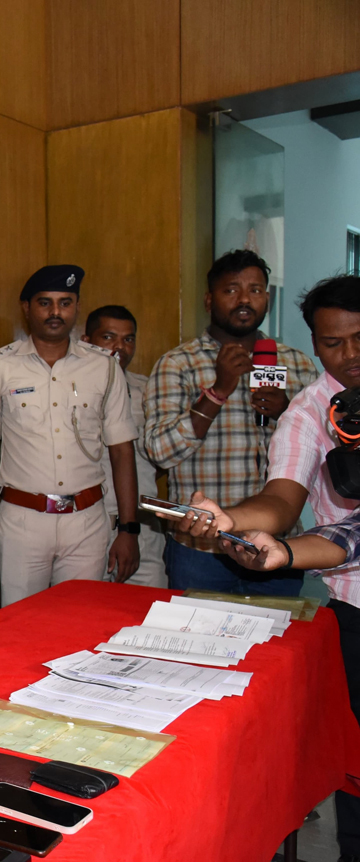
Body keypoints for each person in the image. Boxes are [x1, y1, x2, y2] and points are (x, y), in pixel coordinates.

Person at [176, 275, 360, 862]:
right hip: (355, 603)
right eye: (333, 343)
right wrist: (230, 519)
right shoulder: (308, 412)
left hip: (336, 551)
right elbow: (281, 502)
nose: (350, 355)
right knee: (356, 757)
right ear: (314, 344)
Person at [142, 249, 316, 595]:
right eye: (231, 290)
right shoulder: (178, 363)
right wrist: (218, 391)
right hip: (201, 548)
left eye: (255, 290)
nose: (244, 299)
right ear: (209, 300)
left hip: (274, 545)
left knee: (277, 632)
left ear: (267, 298)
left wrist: (286, 412)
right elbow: (160, 452)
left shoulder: (297, 364)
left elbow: (324, 450)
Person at [0, 266, 140, 606]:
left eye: (65, 303)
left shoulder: (104, 366)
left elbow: (122, 451)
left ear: (76, 307)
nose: (55, 312)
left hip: (87, 522)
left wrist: (129, 529)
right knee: (21, 622)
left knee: (80, 621)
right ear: (26, 308)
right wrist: (14, 490)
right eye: (45, 302)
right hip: (23, 523)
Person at [82, 305, 168, 588]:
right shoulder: (68, 392)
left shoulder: (149, 391)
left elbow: (161, 456)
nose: (120, 347)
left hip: (141, 529)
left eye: (128, 339)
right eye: (108, 337)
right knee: (85, 609)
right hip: (86, 527)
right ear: (86, 341)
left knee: (149, 609)